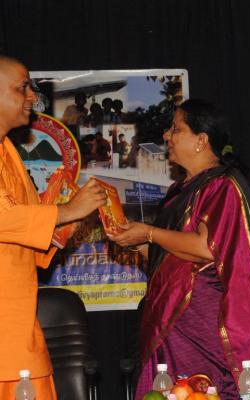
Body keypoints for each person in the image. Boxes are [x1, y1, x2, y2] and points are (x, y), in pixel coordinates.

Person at [109, 99, 250, 399]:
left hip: (204, 328)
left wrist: (149, 232)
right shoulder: (180, 191)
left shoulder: (223, 186)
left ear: (201, 140)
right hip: (173, 324)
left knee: (202, 391)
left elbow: (205, 248)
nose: (166, 136)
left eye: (176, 129)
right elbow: (167, 258)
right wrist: (130, 241)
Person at [0, 55, 107, 399]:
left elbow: (30, 227)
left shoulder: (8, 151)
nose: (33, 96)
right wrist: (67, 210)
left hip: (18, 327)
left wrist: (73, 218)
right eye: (22, 88)